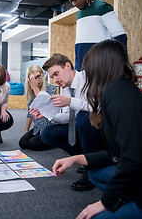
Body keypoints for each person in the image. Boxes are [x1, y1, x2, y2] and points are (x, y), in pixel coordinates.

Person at [53, 39, 142, 219]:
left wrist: (105, 202)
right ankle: (128, 196)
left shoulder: (117, 93)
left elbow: (131, 156)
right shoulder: (118, 90)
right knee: (94, 171)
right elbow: (117, 153)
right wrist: (76, 158)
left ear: (99, 68)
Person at [30, 54, 102, 191]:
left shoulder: (89, 78)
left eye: (57, 74)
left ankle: (93, 169)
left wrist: (70, 102)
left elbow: (98, 108)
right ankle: (84, 160)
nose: (56, 80)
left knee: (82, 117)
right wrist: (45, 115)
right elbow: (68, 117)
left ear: (68, 66)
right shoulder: (65, 86)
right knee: (47, 133)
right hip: (81, 127)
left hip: (99, 126)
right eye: (52, 77)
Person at [67, 0, 127, 71]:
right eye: (71, 1)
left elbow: (120, 35)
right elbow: (80, 43)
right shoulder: (79, 14)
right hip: (83, 67)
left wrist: (120, 63)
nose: (74, 4)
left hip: (100, 65)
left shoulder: (102, 7)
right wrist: (78, 66)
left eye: (75, 0)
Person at [19, 65, 56, 151]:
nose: (37, 80)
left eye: (38, 76)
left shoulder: (51, 89)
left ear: (43, 75)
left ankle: (55, 141)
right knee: (23, 143)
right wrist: (26, 130)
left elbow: (45, 107)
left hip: (49, 126)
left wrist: (35, 88)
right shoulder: (30, 92)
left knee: (34, 144)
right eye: (33, 78)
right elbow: (30, 113)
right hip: (38, 127)